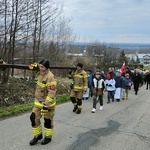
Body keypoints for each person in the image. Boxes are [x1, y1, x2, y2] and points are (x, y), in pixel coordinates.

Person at [29, 59, 57, 146]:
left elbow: (52, 92)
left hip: (47, 104)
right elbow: (31, 67)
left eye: (42, 67)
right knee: (33, 118)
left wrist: (46, 104)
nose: (40, 68)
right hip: (38, 102)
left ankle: (48, 137)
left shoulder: (50, 77)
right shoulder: (40, 72)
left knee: (47, 120)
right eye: (39, 66)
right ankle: (38, 136)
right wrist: (33, 66)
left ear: (47, 68)